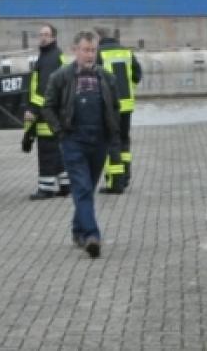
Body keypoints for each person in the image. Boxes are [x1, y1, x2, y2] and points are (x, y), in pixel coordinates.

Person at [41, 31, 122, 259]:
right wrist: (60, 132)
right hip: (73, 141)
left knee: (88, 189)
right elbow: (47, 107)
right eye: (85, 50)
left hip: (99, 142)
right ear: (75, 50)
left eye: (93, 50)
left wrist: (113, 142)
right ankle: (91, 236)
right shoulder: (61, 77)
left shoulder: (106, 78)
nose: (89, 55)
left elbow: (114, 109)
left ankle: (78, 230)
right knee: (82, 189)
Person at [22, 23, 71, 199]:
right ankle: (66, 185)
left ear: (53, 37)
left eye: (46, 34)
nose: (42, 37)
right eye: (40, 34)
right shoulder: (52, 55)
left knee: (47, 152)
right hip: (57, 112)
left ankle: (46, 188)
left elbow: (44, 89)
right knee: (55, 151)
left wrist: (33, 110)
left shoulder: (49, 58)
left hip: (48, 113)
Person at [94, 26, 142, 194]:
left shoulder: (99, 54)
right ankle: (126, 176)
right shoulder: (126, 52)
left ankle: (115, 183)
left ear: (99, 38)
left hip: (110, 106)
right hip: (127, 104)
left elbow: (95, 79)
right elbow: (137, 74)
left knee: (111, 142)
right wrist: (130, 88)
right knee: (124, 140)